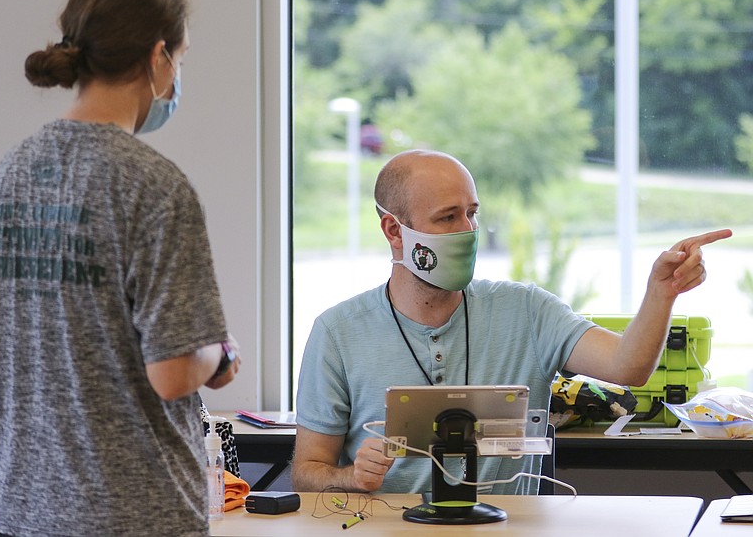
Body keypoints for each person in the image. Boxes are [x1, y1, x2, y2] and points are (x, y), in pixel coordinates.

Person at [0, 0, 241, 537]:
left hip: (16, 510)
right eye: (180, 61)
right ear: (158, 57)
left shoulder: (10, 173)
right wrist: (218, 352)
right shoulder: (154, 186)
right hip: (132, 515)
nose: (176, 76)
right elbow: (172, 374)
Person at [292, 149, 731, 495]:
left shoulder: (525, 310)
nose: (467, 229)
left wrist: (661, 293)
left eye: (473, 213)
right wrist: (351, 477)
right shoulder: (338, 332)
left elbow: (628, 368)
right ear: (394, 230)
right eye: (448, 217)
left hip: (506, 527)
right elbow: (307, 471)